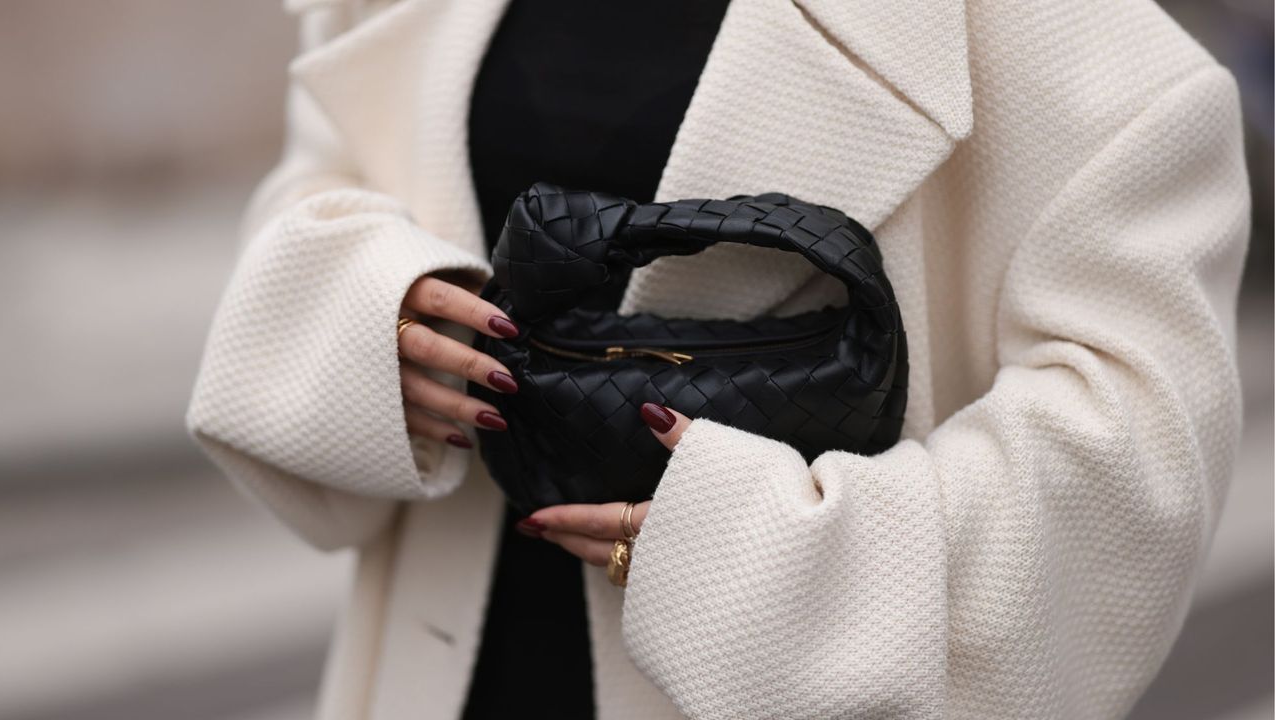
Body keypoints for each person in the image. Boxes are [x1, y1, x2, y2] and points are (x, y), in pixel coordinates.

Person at [186, 0, 1251, 718]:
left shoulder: (1086, 55)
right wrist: (377, 314)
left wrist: (762, 554)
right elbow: (316, 189)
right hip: (445, 666)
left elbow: (1129, 471)